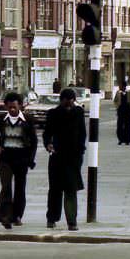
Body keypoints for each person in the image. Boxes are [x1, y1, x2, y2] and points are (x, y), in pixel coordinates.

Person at [0, 91, 38, 229]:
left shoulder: (27, 120)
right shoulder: (1, 119)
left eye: (14, 107)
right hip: (5, 158)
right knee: (6, 186)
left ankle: (17, 216)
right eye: (9, 107)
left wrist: (31, 159)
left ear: (20, 106)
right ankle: (6, 216)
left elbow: (34, 141)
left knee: (20, 189)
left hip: (21, 159)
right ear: (6, 106)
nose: (12, 110)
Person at [43, 87, 87, 231]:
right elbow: (47, 133)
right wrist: (48, 144)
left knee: (71, 189)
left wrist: (80, 151)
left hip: (73, 157)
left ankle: (72, 221)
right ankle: (52, 218)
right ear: (61, 101)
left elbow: (82, 133)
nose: (69, 104)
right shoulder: (53, 114)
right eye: (66, 102)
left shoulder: (78, 113)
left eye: (71, 102)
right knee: (55, 190)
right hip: (57, 155)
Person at [113, 81, 130, 145]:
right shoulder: (118, 93)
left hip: (128, 111)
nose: (121, 87)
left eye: (122, 86)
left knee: (127, 126)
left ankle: (127, 140)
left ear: (125, 87)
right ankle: (120, 139)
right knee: (119, 126)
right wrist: (117, 106)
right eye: (120, 86)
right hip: (120, 111)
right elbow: (115, 100)